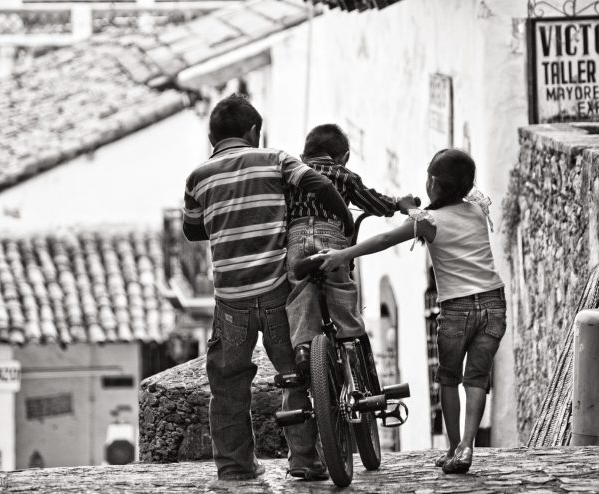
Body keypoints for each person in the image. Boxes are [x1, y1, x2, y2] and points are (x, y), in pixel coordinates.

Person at [182, 95, 354, 481]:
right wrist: (344, 220)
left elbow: (192, 230)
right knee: (296, 374)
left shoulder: (198, 177)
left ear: (213, 136)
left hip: (231, 301)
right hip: (279, 292)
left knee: (227, 385)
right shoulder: (273, 158)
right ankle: (305, 461)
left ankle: (235, 467)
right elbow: (318, 182)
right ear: (253, 132)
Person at [315, 148, 506, 475]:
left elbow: (385, 239)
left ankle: (451, 447)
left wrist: (341, 254)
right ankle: (467, 446)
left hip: (457, 307)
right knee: (477, 379)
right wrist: (414, 207)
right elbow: (465, 188)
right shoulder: (477, 208)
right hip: (492, 302)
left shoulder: (429, 222)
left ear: (432, 182)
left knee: (448, 378)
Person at [285, 123, 417, 380]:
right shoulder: (345, 176)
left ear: (304, 155)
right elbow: (372, 201)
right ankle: (350, 340)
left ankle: (303, 348)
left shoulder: (294, 173)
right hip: (330, 235)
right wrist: (397, 204)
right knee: (341, 287)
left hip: (297, 237)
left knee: (300, 290)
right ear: (343, 157)